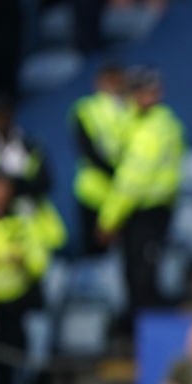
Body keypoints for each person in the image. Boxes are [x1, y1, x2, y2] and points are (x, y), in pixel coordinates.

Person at [98, 68, 184, 326]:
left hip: (148, 210)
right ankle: (137, 328)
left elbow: (132, 181)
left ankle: (144, 332)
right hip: (143, 210)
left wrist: (109, 218)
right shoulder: (139, 123)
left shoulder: (153, 128)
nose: (140, 97)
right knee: (135, 275)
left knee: (142, 277)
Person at [0, 170, 49, 384]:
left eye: (3, 186)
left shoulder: (23, 217)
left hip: (14, 305)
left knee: (10, 367)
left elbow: (39, 259)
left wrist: (20, 259)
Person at [0, 95, 66, 252]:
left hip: (30, 222)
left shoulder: (30, 144)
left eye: (4, 114)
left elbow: (46, 182)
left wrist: (13, 186)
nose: (1, 120)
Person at [71, 63, 132, 255]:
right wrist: (117, 173)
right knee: (95, 250)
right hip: (94, 191)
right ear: (99, 83)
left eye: (119, 80)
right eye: (111, 80)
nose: (116, 85)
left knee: (128, 250)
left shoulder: (133, 107)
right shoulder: (86, 109)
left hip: (127, 193)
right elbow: (87, 149)